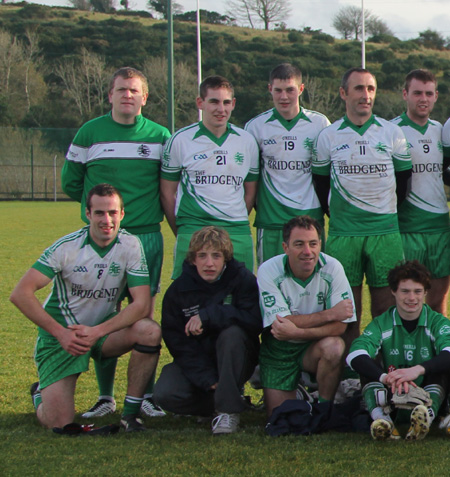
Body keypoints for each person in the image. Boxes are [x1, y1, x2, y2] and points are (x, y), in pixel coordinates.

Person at [61, 67, 170, 418]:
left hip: (146, 236)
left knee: (144, 316)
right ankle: (105, 397)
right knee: (103, 311)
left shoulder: (160, 135)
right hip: (102, 239)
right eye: (121, 90)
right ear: (110, 95)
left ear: (145, 97)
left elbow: (167, 185)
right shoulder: (89, 132)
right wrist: (104, 217)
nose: (127, 95)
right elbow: (71, 183)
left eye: (134, 90)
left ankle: (146, 396)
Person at [10, 184, 162, 432]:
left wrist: (98, 331)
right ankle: (40, 394)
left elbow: (142, 304)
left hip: (102, 333)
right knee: (59, 423)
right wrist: (61, 333)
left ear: (122, 215)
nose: (107, 220)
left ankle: (131, 415)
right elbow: (20, 294)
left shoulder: (131, 245)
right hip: (63, 337)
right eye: (100, 213)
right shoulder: (67, 247)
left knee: (149, 330)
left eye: (113, 213)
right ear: (88, 214)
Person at [312, 67, 412, 344]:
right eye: (358, 88)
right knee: (347, 314)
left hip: (385, 233)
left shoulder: (392, 132)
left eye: (370, 89)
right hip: (344, 234)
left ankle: (384, 371)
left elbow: (403, 181)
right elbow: (320, 184)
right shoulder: (328, 136)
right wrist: (337, 213)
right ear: (343, 93)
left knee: (386, 309)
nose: (365, 95)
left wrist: (384, 210)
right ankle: (348, 376)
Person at [153, 226, 261, 434]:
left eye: (216, 256)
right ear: (193, 259)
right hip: (199, 363)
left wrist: (209, 315)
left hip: (238, 357)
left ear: (226, 259)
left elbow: (255, 321)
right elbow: (177, 343)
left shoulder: (243, 279)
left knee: (233, 334)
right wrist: (207, 377)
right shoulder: (178, 291)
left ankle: (228, 411)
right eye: (202, 256)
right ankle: (224, 400)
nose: (209, 263)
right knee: (165, 393)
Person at [160, 75, 259, 278]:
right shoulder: (180, 140)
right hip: (193, 228)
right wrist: (182, 229)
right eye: (213, 101)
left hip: (237, 230)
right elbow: (167, 193)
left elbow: (250, 191)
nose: (220, 109)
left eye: (226, 102)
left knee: (240, 298)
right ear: (200, 103)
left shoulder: (247, 141)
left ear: (233, 104)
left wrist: (234, 217)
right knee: (189, 299)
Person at [257, 215, 356, 418]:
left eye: (313, 244)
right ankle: (302, 394)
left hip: (313, 347)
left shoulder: (333, 267)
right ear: (285, 247)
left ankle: (324, 408)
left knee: (335, 346)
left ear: (320, 244)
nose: (307, 252)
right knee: (280, 416)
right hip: (279, 351)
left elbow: (340, 327)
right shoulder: (268, 270)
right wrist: (330, 313)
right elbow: (279, 324)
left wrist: (297, 331)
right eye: (299, 244)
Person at [347, 260, 450, 441]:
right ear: (393, 291)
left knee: (443, 365)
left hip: (428, 393)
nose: (412, 298)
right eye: (405, 291)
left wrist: (417, 370)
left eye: (417, 291)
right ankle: (382, 421)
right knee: (368, 364)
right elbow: (355, 355)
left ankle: (426, 416)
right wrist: (385, 378)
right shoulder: (382, 323)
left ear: (425, 292)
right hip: (393, 394)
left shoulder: (437, 322)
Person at [245, 63, 330, 264]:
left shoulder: (320, 124)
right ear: (270, 89)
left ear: (300, 89)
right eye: (278, 90)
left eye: (290, 90)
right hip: (272, 220)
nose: (284, 97)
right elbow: (250, 178)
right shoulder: (255, 127)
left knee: (314, 283)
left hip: (310, 221)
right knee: (272, 282)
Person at [391, 70, 450, 315]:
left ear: (436, 96)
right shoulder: (391, 130)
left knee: (437, 300)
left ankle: (442, 350)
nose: (423, 99)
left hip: (439, 226)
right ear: (405, 94)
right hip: (408, 227)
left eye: (428, 93)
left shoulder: (441, 130)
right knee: (408, 302)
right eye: (417, 93)